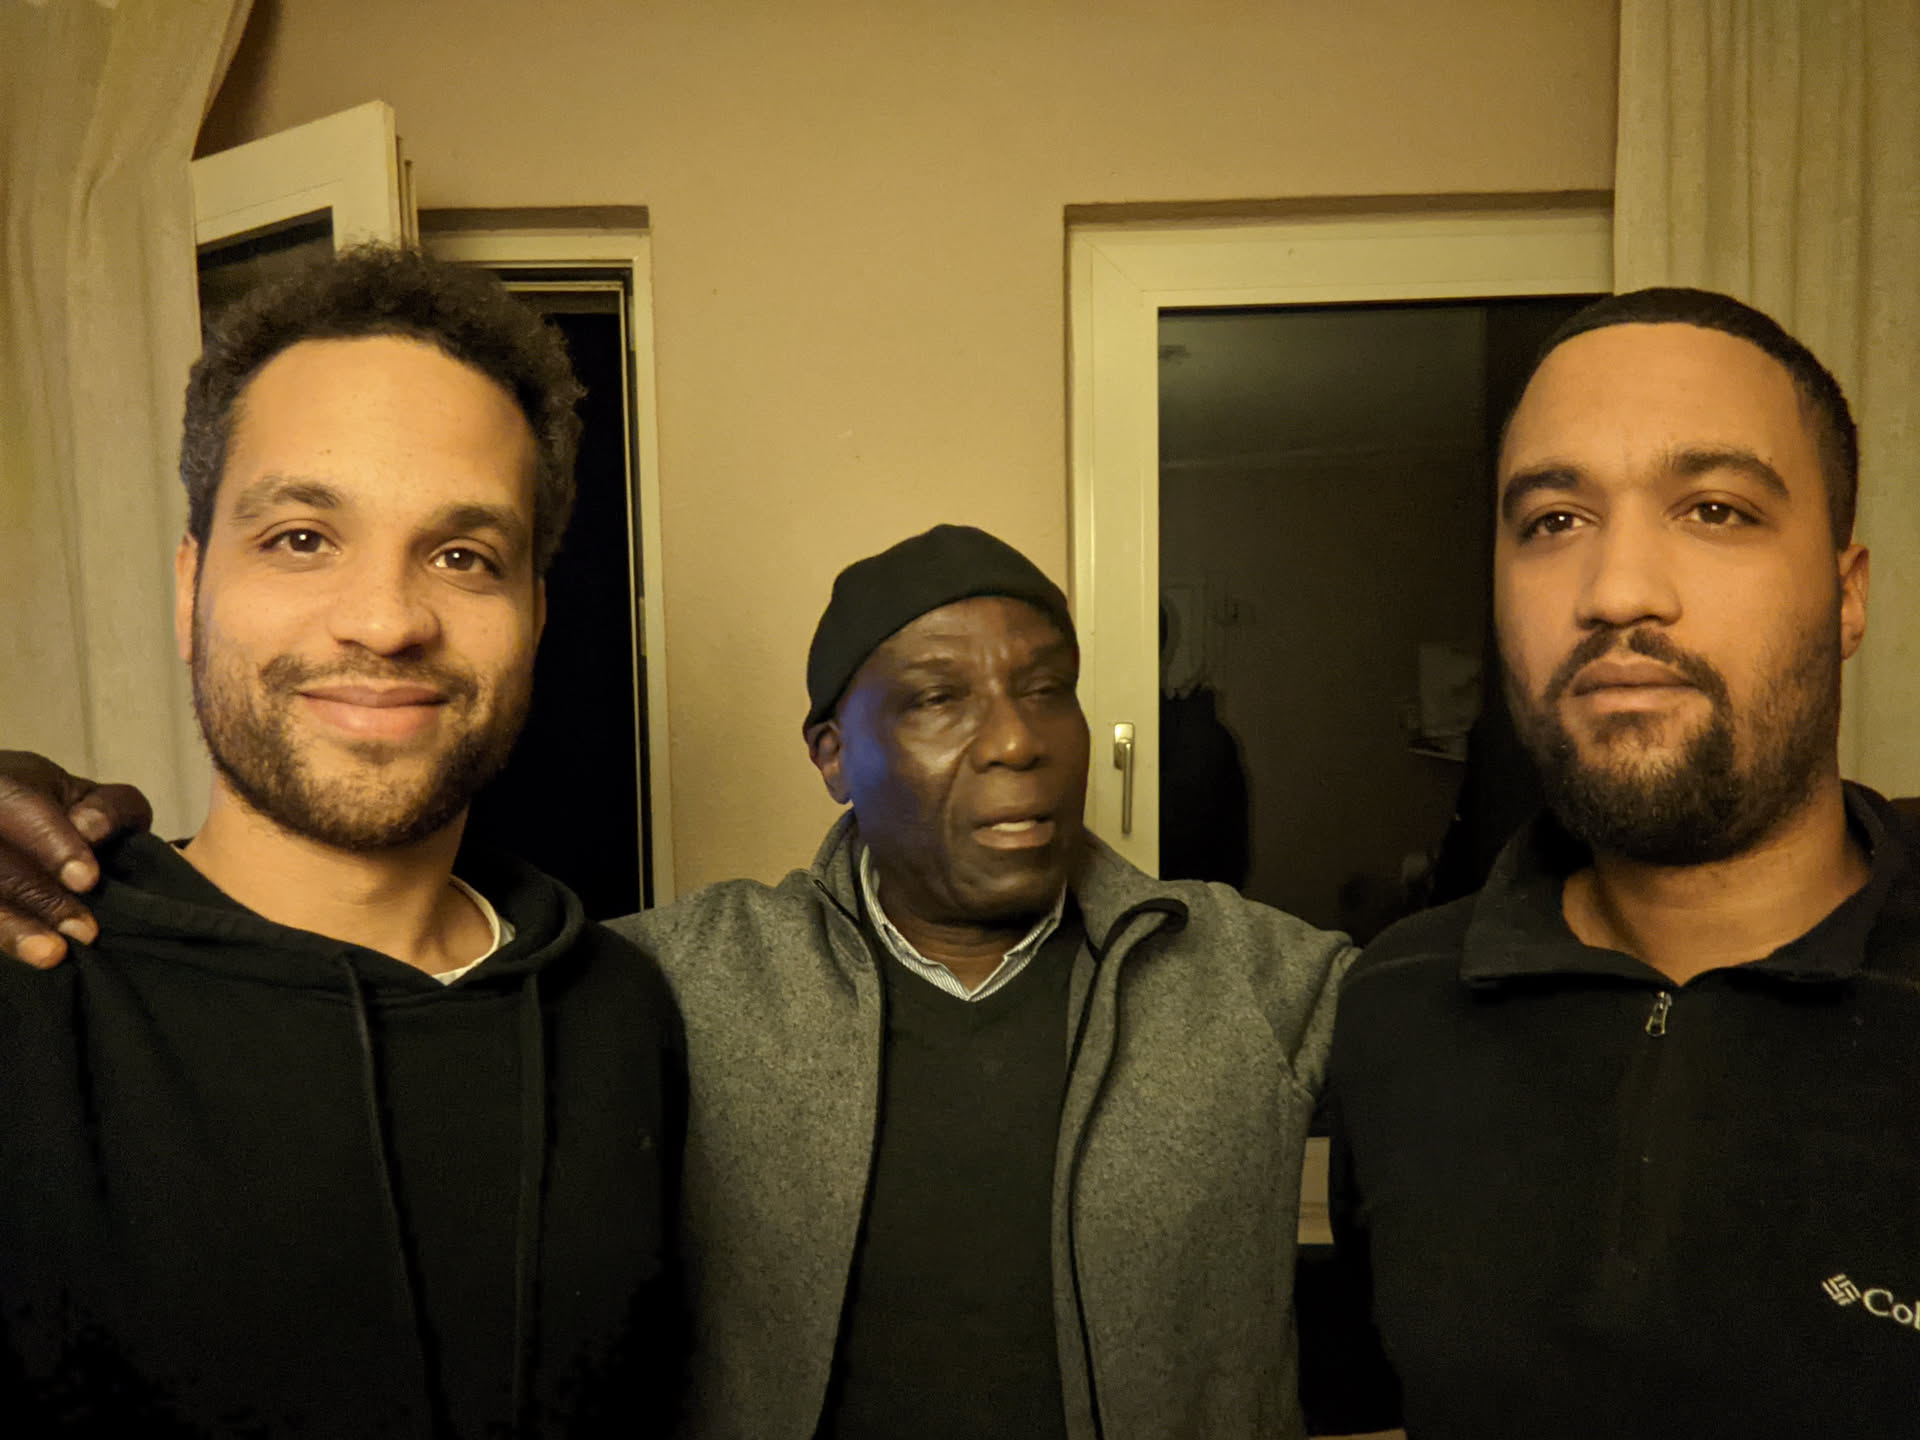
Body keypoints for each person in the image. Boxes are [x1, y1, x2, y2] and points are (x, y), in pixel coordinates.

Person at [0, 524, 1354, 1440]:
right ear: (833, 756)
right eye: (939, 698)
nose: (1017, 740)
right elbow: (378, 982)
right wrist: (112, 874)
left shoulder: (1253, 975)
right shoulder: (671, 982)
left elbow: (1476, 1038)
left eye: (1046, 688)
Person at [0, 247, 685, 1435]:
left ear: (532, 617)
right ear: (190, 591)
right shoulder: (26, 991)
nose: (385, 620)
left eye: (464, 556)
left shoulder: (621, 1015)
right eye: (302, 537)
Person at [1326, 289, 1920, 1438]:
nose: (1616, 593)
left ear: (1845, 598)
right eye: (1555, 521)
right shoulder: (1398, 1006)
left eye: (1715, 509)